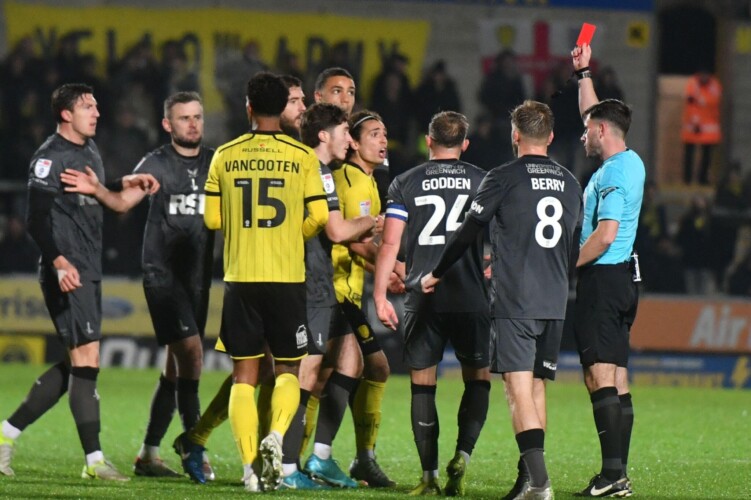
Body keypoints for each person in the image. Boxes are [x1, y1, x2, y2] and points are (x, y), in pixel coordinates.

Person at [422, 101, 582, 500]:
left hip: (517, 299)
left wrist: (437, 271)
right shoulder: (570, 182)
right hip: (555, 297)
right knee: (538, 387)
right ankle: (528, 480)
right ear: (550, 137)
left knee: (517, 388)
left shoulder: (503, 177)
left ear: (515, 135)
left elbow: (468, 231)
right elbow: (569, 243)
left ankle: (540, 483)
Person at [0, 83, 158, 481]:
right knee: (86, 361)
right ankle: (94, 461)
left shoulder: (89, 149)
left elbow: (90, 194)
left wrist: (124, 183)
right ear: (66, 114)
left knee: (79, 363)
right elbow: (36, 219)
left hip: (87, 267)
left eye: (97, 106)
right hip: (68, 270)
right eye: (88, 106)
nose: (97, 112)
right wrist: (58, 262)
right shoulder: (49, 157)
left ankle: (6, 434)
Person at [60, 91, 217, 481]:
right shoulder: (157, 163)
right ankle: (195, 446)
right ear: (167, 124)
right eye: (184, 118)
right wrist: (98, 189)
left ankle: (148, 454)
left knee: (175, 369)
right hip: (162, 275)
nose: (192, 124)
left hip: (197, 276)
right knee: (193, 356)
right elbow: (121, 203)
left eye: (197, 117)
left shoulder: (216, 162)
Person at [202, 72, 328, 492]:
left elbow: (212, 219)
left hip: (241, 278)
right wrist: (291, 235)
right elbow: (319, 216)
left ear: (249, 107)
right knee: (289, 369)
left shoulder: (224, 155)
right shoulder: (303, 156)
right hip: (287, 277)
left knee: (244, 376)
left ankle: (249, 471)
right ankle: (275, 435)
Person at [375, 111, 492, 496]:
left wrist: (380, 293)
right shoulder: (483, 181)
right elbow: (504, 236)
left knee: (423, 386)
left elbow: (390, 243)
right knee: (478, 379)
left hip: (423, 297)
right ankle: (463, 455)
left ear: (428, 140)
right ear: (465, 145)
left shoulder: (405, 182)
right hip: (471, 295)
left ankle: (428, 477)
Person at [279, 102, 382, 489]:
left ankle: (319, 457)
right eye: (344, 133)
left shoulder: (310, 167)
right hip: (311, 283)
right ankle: (286, 467)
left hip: (318, 280)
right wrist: (371, 222)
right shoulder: (318, 172)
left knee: (350, 363)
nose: (348, 140)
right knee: (305, 373)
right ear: (324, 135)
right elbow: (337, 232)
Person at [303, 110, 401, 489]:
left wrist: (388, 270)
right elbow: (353, 241)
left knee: (342, 372)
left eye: (385, 133)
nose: (383, 140)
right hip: (335, 290)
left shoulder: (367, 181)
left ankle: (328, 457)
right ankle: (325, 456)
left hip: (344, 290)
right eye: (374, 134)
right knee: (361, 367)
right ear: (354, 143)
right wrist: (398, 270)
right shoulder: (353, 181)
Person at [571, 43, 645, 497]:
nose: (583, 135)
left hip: (604, 276)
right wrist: (584, 73)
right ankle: (617, 474)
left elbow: (604, 234)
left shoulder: (614, 173)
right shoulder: (628, 161)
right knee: (616, 376)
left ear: (602, 131)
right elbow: (592, 113)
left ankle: (613, 475)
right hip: (623, 279)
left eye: (587, 130)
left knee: (598, 375)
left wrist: (564, 264)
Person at [681, 70, 721, 185]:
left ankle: (702, 179)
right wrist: (695, 121)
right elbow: (691, 104)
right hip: (692, 127)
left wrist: (702, 101)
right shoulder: (692, 84)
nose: (704, 77)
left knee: (707, 156)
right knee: (689, 154)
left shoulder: (715, 86)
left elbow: (714, 101)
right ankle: (687, 180)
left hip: (709, 129)